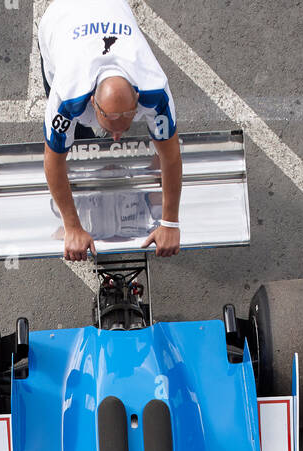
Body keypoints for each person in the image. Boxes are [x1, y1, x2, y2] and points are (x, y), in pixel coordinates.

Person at [37, 0, 182, 262]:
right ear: (93, 103)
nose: (117, 139)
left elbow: (169, 154)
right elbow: (53, 161)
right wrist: (72, 227)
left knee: (159, 139)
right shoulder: (66, 96)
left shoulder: (155, 89)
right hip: (61, 17)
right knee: (76, 144)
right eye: (110, 128)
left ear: (137, 98)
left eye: (124, 128)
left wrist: (169, 222)